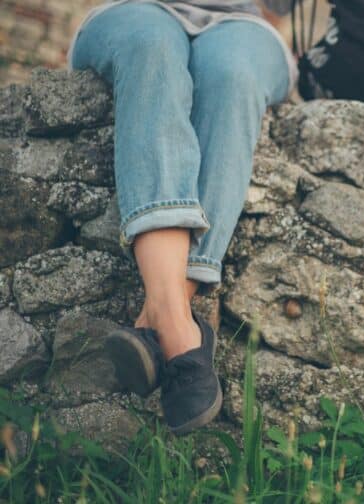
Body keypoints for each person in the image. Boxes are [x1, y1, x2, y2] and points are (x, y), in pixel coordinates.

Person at [67, 0, 297, 436]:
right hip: (133, 9)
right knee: (151, 48)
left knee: (233, 78)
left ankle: (158, 323)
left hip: (243, 21)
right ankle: (178, 329)